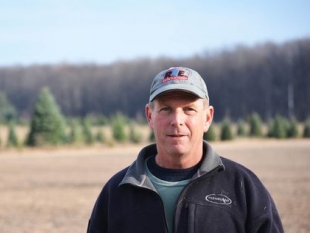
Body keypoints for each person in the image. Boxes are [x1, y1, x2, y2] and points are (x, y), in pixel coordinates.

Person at [87, 67, 284, 233]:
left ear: (207, 117)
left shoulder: (243, 186)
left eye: (189, 109)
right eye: (166, 109)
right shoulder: (117, 192)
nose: (177, 121)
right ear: (149, 116)